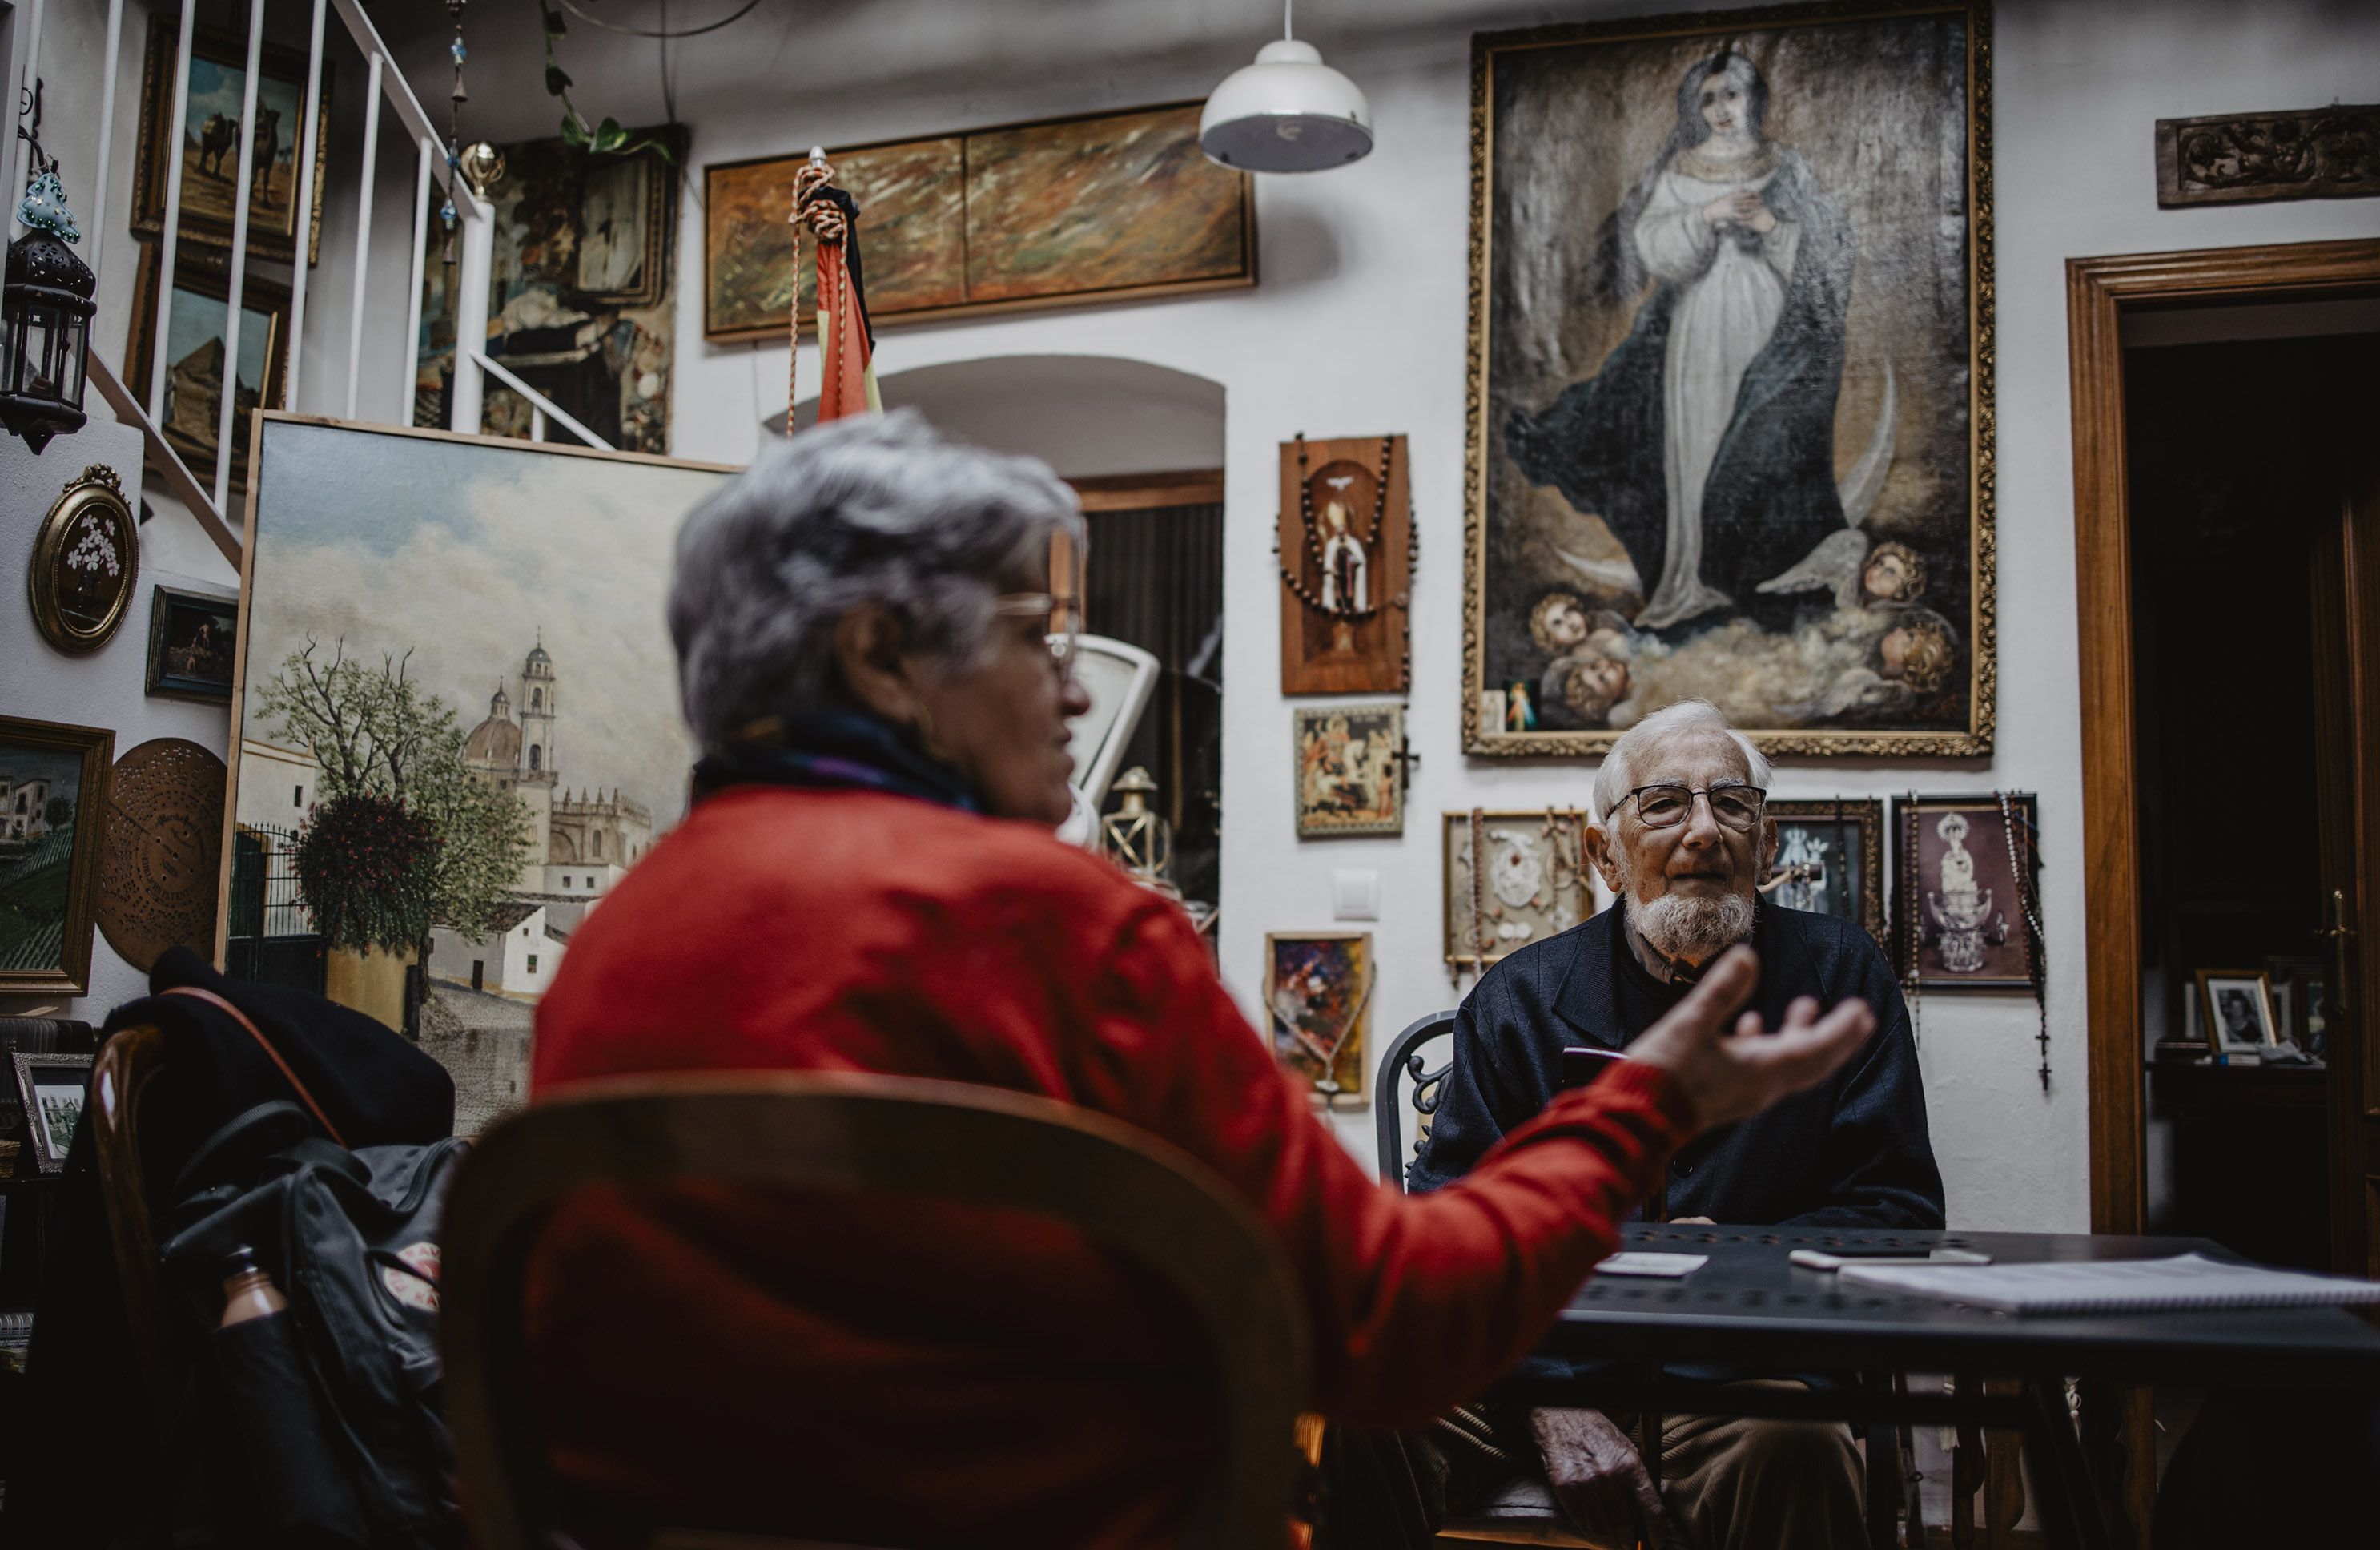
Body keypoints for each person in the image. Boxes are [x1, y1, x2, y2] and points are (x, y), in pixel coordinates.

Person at [524, 414, 1877, 1550]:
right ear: (882, 656)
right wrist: (1647, 1104)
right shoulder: (1065, 928)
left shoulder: (609, 954)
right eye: (1034, 636)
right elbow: (1391, 1325)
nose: (1074, 691)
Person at [1413, 699, 1943, 1550]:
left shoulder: (1842, 974)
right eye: (1665, 805)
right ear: (1604, 854)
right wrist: (1552, 1404)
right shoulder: (1517, 1000)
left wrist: (1739, 1256)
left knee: (1798, 1448)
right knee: (1364, 1419)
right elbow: (1447, 1240)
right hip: (1546, 1368)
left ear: (1767, 846)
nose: (1706, 831)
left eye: (1732, 804)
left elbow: (1901, 1215)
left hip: (1746, 1374)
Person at [1506, 49, 1853, 634]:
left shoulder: (1787, 167)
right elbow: (1653, 246)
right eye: (1709, 98)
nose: (1722, 109)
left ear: (1754, 99)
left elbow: (1829, 255)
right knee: (1698, 441)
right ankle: (1697, 578)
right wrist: (1707, 215)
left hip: (1767, 318)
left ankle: (1756, 575)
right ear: (1696, 108)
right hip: (1699, 324)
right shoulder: (1681, 171)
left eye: (1733, 94)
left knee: (1760, 440)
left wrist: (1771, 227)